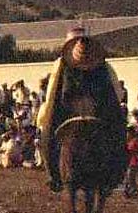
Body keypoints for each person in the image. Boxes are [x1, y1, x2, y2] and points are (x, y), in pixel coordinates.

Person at [37, 27, 126, 193]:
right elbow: (55, 95)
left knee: (119, 133)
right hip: (70, 113)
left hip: (92, 112)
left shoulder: (102, 66)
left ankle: (115, 175)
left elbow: (114, 94)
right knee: (47, 133)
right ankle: (54, 174)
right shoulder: (63, 66)